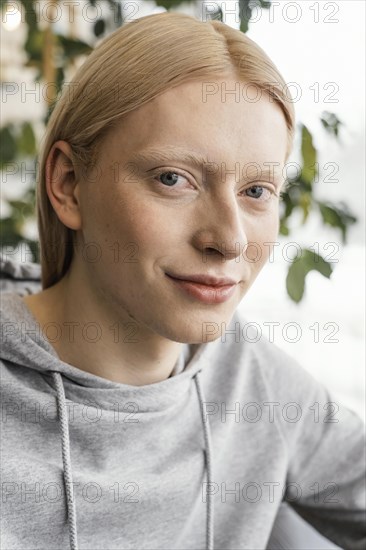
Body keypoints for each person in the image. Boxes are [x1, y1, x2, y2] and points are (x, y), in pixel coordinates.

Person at [0, 11, 364, 550]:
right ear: (69, 184)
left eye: (257, 191)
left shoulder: (253, 381)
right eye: (174, 179)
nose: (231, 240)